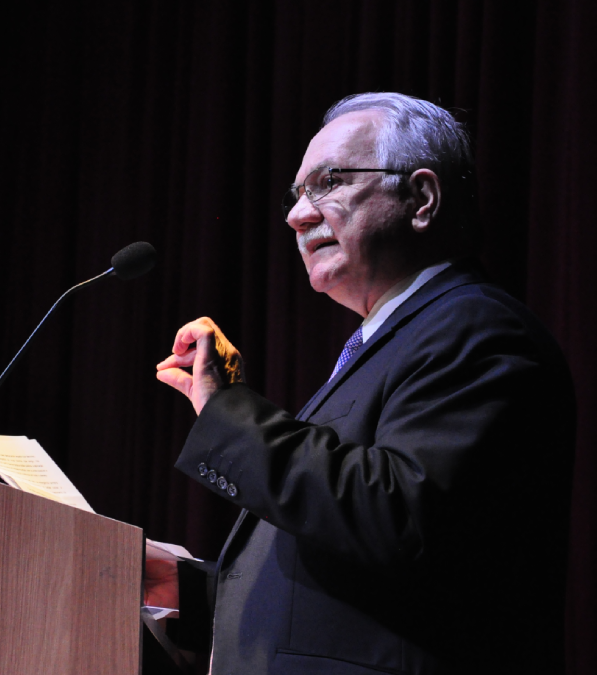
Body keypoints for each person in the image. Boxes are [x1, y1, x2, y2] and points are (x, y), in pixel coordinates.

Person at [149, 93, 575, 674]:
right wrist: (184, 588)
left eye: (329, 183)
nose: (299, 215)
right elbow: (348, 586)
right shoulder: (386, 343)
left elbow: (398, 516)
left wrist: (228, 409)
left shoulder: (479, 331)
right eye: (295, 195)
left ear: (421, 199)